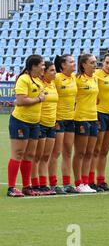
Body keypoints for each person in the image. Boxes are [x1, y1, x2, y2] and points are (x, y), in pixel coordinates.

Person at [6, 55, 45, 197]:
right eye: (41, 65)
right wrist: (39, 99)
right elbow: (21, 101)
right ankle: (11, 188)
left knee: (29, 155)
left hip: (34, 123)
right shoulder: (23, 79)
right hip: (20, 121)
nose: (44, 67)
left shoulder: (38, 80)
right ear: (33, 66)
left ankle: (26, 186)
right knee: (18, 153)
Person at [48, 54, 78, 193]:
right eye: (71, 62)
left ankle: (67, 183)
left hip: (70, 119)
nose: (74, 63)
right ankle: (53, 184)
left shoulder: (74, 78)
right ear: (63, 65)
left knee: (68, 152)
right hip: (58, 120)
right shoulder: (57, 78)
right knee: (56, 153)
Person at [89, 50, 109, 192]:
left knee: (105, 150)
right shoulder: (96, 75)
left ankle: (101, 181)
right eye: (107, 63)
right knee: (96, 149)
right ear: (102, 63)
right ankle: (90, 180)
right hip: (99, 114)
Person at [31, 61, 59, 195]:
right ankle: (35, 184)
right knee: (37, 156)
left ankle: (43, 184)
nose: (55, 73)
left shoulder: (53, 84)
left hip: (51, 124)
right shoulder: (39, 85)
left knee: (46, 156)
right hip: (40, 124)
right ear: (45, 72)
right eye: (52, 70)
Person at [72, 53, 99, 193]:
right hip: (81, 118)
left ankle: (85, 181)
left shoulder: (95, 78)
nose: (95, 65)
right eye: (92, 62)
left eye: (95, 62)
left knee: (90, 152)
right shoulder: (77, 79)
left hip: (93, 118)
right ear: (83, 64)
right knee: (80, 152)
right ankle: (78, 183)